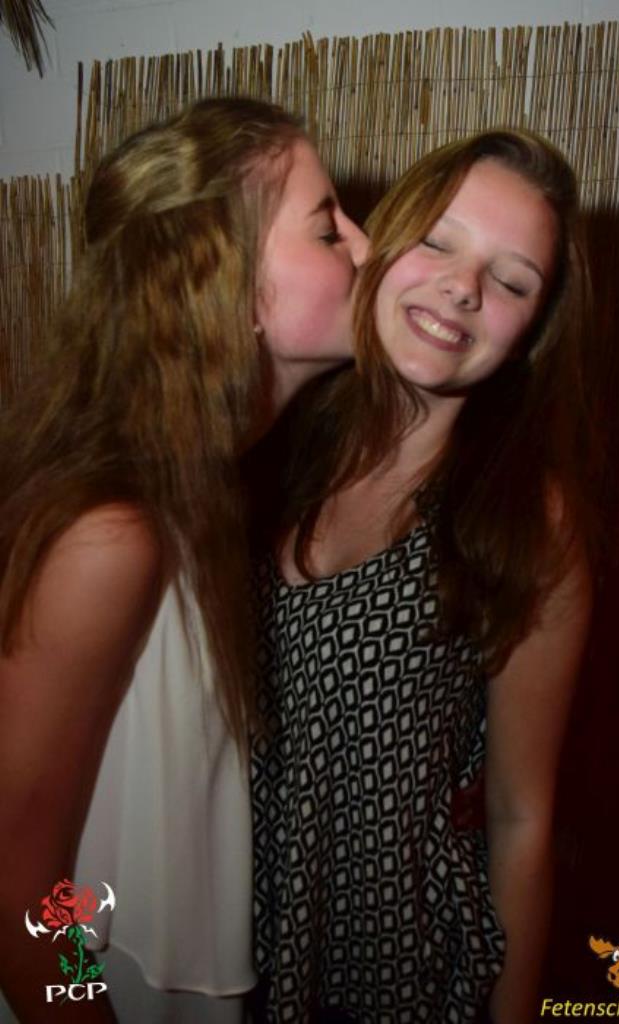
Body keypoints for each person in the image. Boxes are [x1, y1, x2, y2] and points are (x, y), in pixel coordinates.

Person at [0, 96, 367, 1023]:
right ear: (229, 284)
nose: (368, 249)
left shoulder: (207, 498)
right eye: (329, 228)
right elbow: (15, 884)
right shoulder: (113, 535)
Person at [251, 129, 595, 1023]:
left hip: (397, 968)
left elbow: (520, 818)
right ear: (381, 241)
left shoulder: (526, 520)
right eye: (438, 241)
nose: (463, 287)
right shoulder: (268, 444)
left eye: (511, 281)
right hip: (218, 933)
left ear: (532, 332)